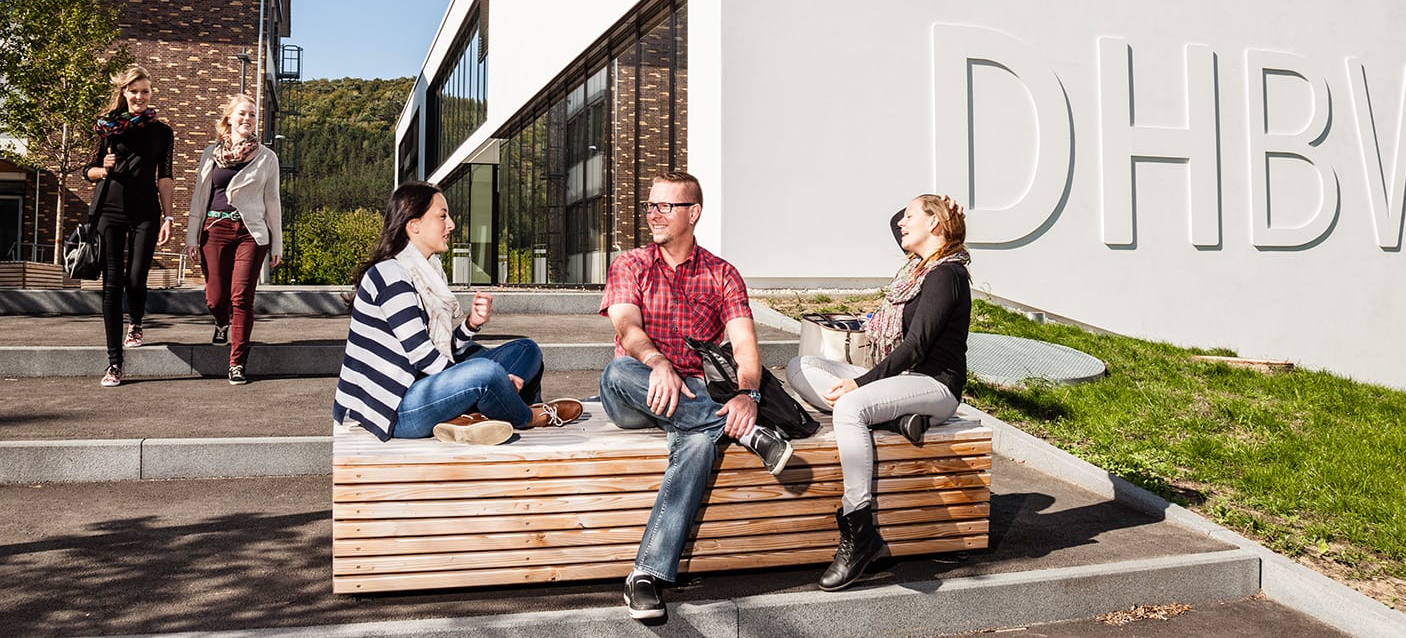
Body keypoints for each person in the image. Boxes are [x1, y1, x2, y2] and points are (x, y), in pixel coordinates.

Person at [598, 171, 793, 621]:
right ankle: (750, 436)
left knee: (701, 442)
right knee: (617, 370)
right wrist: (657, 363)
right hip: (636, 389)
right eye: (650, 205)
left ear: (694, 213)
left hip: (695, 395)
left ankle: (645, 576)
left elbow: (744, 346)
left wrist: (747, 395)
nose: (653, 215)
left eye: (665, 206)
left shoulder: (722, 274)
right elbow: (627, 330)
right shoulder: (630, 264)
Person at [786, 194, 971, 591]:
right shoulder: (917, 269)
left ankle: (859, 528)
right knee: (801, 366)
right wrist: (935, 208)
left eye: (911, 217)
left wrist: (860, 383)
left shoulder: (946, 274)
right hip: (901, 382)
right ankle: (896, 417)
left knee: (850, 406)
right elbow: (895, 224)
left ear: (934, 225)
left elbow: (916, 346)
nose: (901, 224)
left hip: (935, 384)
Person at [332, 182, 580, 445]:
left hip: (423, 384)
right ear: (413, 225)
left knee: (526, 350)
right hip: (397, 407)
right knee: (486, 373)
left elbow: (440, 350)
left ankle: (475, 416)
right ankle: (529, 416)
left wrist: (472, 324)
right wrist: (488, 381)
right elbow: (421, 354)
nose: (450, 224)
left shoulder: (427, 271)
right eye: (442, 216)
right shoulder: (391, 275)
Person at [83, 64, 176, 388]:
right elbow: (88, 171)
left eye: (145, 91)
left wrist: (168, 217)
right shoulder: (108, 127)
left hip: (146, 213)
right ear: (123, 93)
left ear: (151, 94)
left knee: (136, 279)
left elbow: (165, 177)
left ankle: (135, 322)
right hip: (109, 211)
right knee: (112, 284)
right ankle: (114, 363)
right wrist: (102, 168)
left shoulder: (162, 132)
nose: (139, 96)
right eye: (134, 91)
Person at [184, 94, 283, 385]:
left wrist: (277, 242)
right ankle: (220, 321)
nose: (247, 119)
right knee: (216, 298)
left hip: (251, 233)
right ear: (230, 118)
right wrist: (192, 237)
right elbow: (199, 197)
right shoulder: (210, 154)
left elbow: (273, 200)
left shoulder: (266, 157)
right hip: (214, 230)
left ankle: (237, 362)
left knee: (241, 297)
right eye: (242, 114)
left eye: (252, 115)